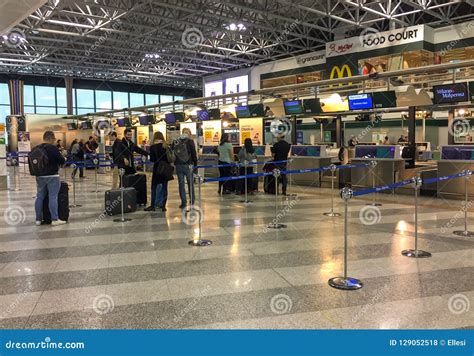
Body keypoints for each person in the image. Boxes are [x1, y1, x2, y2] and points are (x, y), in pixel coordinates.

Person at [31, 131, 66, 226]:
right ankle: (54, 219)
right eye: (54, 139)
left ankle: (38, 219)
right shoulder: (52, 148)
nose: (54, 141)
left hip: (39, 176)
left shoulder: (36, 148)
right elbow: (61, 160)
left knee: (39, 196)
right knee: (53, 197)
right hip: (52, 176)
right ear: (51, 138)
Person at [146, 132, 173, 212]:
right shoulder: (166, 146)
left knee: (154, 187)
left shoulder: (153, 147)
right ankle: (163, 206)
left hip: (157, 169)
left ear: (155, 138)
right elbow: (170, 158)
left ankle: (152, 206)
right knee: (165, 188)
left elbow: (152, 160)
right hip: (165, 169)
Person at [171, 128, 198, 208]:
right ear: (189, 134)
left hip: (178, 165)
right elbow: (193, 154)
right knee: (190, 184)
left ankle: (183, 202)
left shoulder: (176, 141)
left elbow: (172, 151)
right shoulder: (190, 141)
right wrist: (195, 164)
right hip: (188, 165)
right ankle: (192, 201)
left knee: (181, 184)